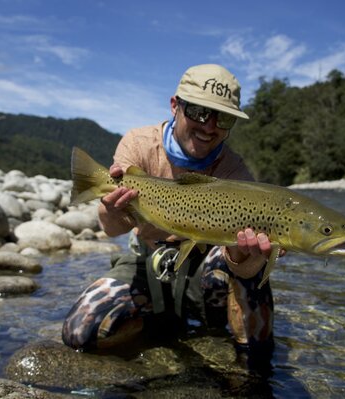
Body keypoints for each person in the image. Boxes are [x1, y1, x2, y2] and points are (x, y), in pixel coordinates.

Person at [62, 64, 277, 362]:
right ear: (175, 105)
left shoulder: (234, 172)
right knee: (80, 331)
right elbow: (111, 229)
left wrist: (248, 257)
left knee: (253, 283)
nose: (209, 126)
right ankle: (151, 340)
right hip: (145, 261)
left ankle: (246, 374)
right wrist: (112, 208)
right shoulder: (138, 144)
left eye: (224, 118)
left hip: (203, 272)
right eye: (199, 112)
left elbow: (244, 267)